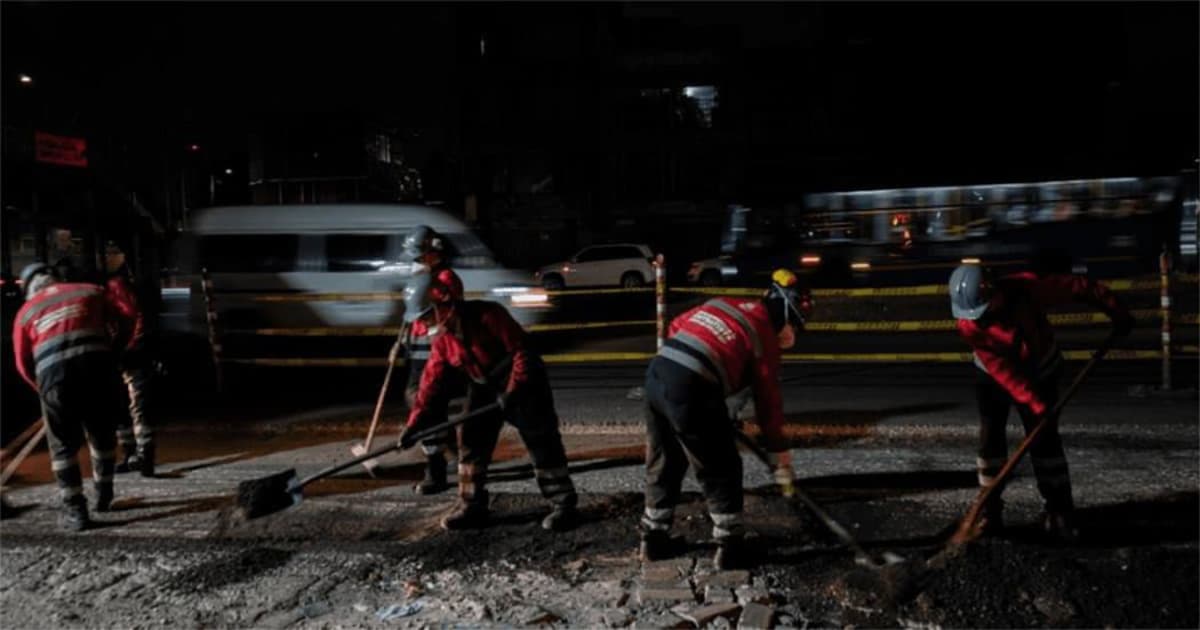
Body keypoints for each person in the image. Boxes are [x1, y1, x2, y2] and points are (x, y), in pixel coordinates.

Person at [949, 264, 1135, 542]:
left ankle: (1059, 511)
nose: (982, 317)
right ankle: (989, 510)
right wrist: (1034, 404)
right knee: (990, 439)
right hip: (992, 376)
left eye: (985, 310)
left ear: (996, 292)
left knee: (1045, 441)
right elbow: (1002, 370)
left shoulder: (1027, 288)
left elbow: (1079, 288)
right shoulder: (969, 324)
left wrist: (1114, 308)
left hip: (1042, 369)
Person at [640, 268, 805, 570]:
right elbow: (768, 402)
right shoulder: (764, 335)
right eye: (794, 325)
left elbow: (678, 325)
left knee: (666, 459)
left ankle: (653, 537)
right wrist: (778, 453)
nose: (792, 333)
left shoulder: (724, 303)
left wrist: (707, 400)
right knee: (721, 465)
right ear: (785, 315)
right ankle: (730, 546)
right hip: (691, 388)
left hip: (657, 375)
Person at [398, 272, 579, 532]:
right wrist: (414, 426)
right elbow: (429, 386)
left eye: (426, 316)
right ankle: (471, 505)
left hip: (523, 381)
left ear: (444, 305)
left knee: (541, 440)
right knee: (471, 440)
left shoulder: (489, 315)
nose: (423, 325)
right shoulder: (443, 342)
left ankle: (563, 504)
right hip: (484, 385)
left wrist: (513, 391)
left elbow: (522, 351)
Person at [11, 262, 139, 531]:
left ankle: (76, 511)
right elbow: (128, 314)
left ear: (29, 288)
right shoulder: (90, 290)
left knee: (62, 446)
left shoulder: (26, 312)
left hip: (54, 378)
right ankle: (104, 495)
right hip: (97, 369)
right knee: (101, 433)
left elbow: (22, 363)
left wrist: (45, 391)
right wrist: (115, 350)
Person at [400, 225, 459, 495]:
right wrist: (401, 341)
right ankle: (450, 455)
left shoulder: (445, 279)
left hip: (435, 350)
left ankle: (436, 470)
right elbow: (412, 312)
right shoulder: (421, 277)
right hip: (418, 349)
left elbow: (444, 316)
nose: (416, 261)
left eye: (420, 256)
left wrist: (428, 283)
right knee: (424, 404)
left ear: (434, 252)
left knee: (427, 407)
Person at [104, 240, 155, 476]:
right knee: (129, 407)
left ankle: (141, 455)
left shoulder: (116, 286)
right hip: (127, 353)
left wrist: (129, 347)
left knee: (134, 406)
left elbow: (134, 317)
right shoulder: (123, 284)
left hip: (130, 354)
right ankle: (136, 454)